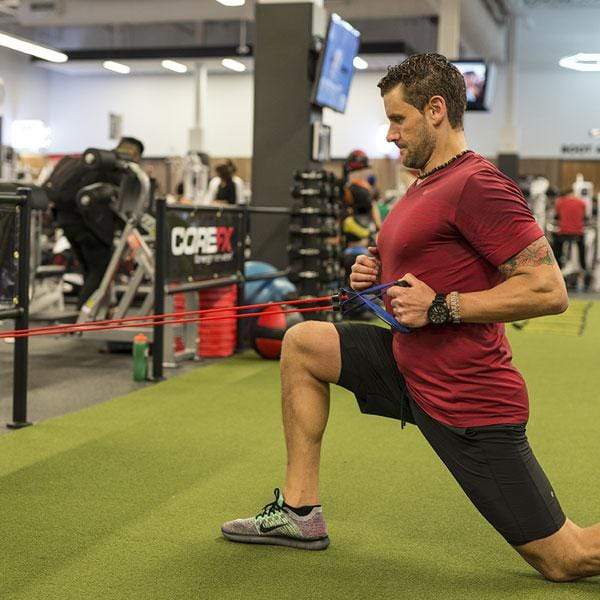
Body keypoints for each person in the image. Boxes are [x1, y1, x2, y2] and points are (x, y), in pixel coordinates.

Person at [220, 53, 600, 583]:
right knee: (304, 344)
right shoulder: (424, 184)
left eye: (399, 119)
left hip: (466, 397)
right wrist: (373, 271)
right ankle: (300, 513)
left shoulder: (477, 184)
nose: (390, 133)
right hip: (409, 366)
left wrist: (441, 305)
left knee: (564, 558)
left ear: (436, 110)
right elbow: (422, 264)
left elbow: (548, 289)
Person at [45, 136, 144, 308]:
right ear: (134, 153)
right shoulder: (118, 167)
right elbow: (121, 204)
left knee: (89, 271)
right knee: (100, 272)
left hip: (67, 222)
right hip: (90, 226)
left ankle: (89, 314)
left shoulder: (97, 161)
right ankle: (84, 315)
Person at [552, 192, 589, 284]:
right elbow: (585, 218)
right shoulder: (582, 203)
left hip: (563, 233)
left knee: (556, 248)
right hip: (578, 233)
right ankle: (583, 266)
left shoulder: (560, 202)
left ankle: (557, 266)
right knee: (582, 249)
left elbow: (557, 217)